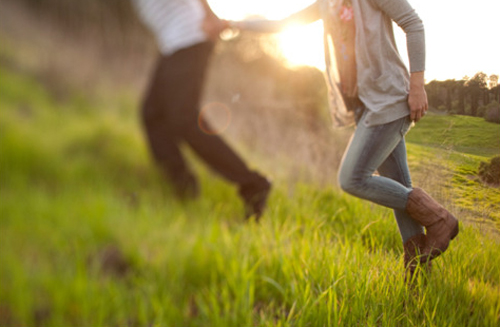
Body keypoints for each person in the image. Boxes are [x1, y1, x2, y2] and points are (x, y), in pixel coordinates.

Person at [231, 0, 458, 278]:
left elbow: (413, 23)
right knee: (399, 189)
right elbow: (283, 23)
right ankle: (419, 277)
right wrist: (234, 24)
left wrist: (417, 86)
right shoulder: (328, 3)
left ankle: (439, 218)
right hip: (366, 105)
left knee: (352, 178)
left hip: (389, 99)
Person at [131, 0, 271, 220]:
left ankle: (252, 184)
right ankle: (183, 188)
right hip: (173, 41)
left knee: (184, 119)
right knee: (153, 115)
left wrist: (210, 15)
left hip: (190, 35)